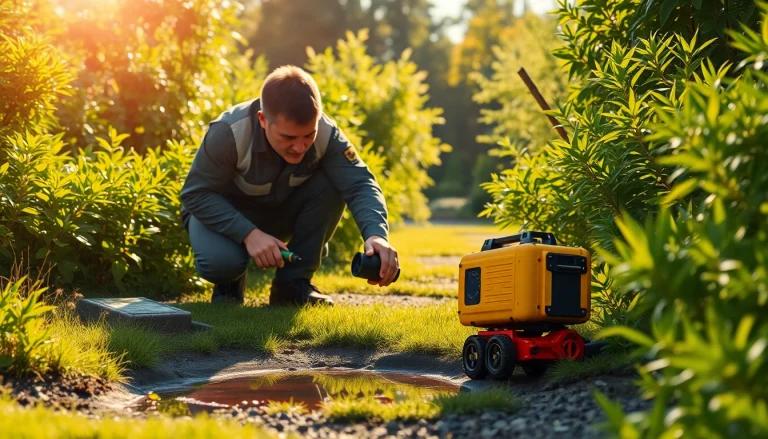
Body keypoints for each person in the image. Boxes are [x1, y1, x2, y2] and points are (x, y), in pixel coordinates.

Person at [180, 65, 399, 305]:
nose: (300, 147)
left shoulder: (327, 133)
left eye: (309, 135)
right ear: (263, 120)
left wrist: (377, 236)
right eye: (288, 137)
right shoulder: (229, 132)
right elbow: (195, 194)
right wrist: (248, 234)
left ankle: (292, 285)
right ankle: (229, 283)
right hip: (221, 216)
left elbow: (360, 183)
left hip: (279, 213)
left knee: (333, 182)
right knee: (222, 264)